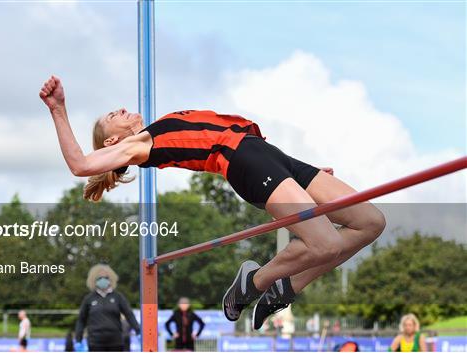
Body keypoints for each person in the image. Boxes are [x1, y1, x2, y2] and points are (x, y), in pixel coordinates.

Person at [40, 75, 386, 330]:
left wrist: (298, 179)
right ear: (113, 141)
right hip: (246, 163)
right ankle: (257, 281)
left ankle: (287, 284)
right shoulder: (136, 147)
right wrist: (58, 109)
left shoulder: (157, 128)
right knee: (325, 242)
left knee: (370, 221)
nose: (121, 109)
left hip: (273, 156)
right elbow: (80, 165)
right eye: (112, 116)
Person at [75, 263, 140, 352]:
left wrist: (138, 331)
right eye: (99, 278)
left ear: (111, 279)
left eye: (105, 278)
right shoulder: (89, 299)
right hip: (95, 342)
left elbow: (129, 315)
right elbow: (81, 320)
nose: (103, 280)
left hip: (116, 342)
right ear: (94, 280)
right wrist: (78, 339)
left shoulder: (118, 297)